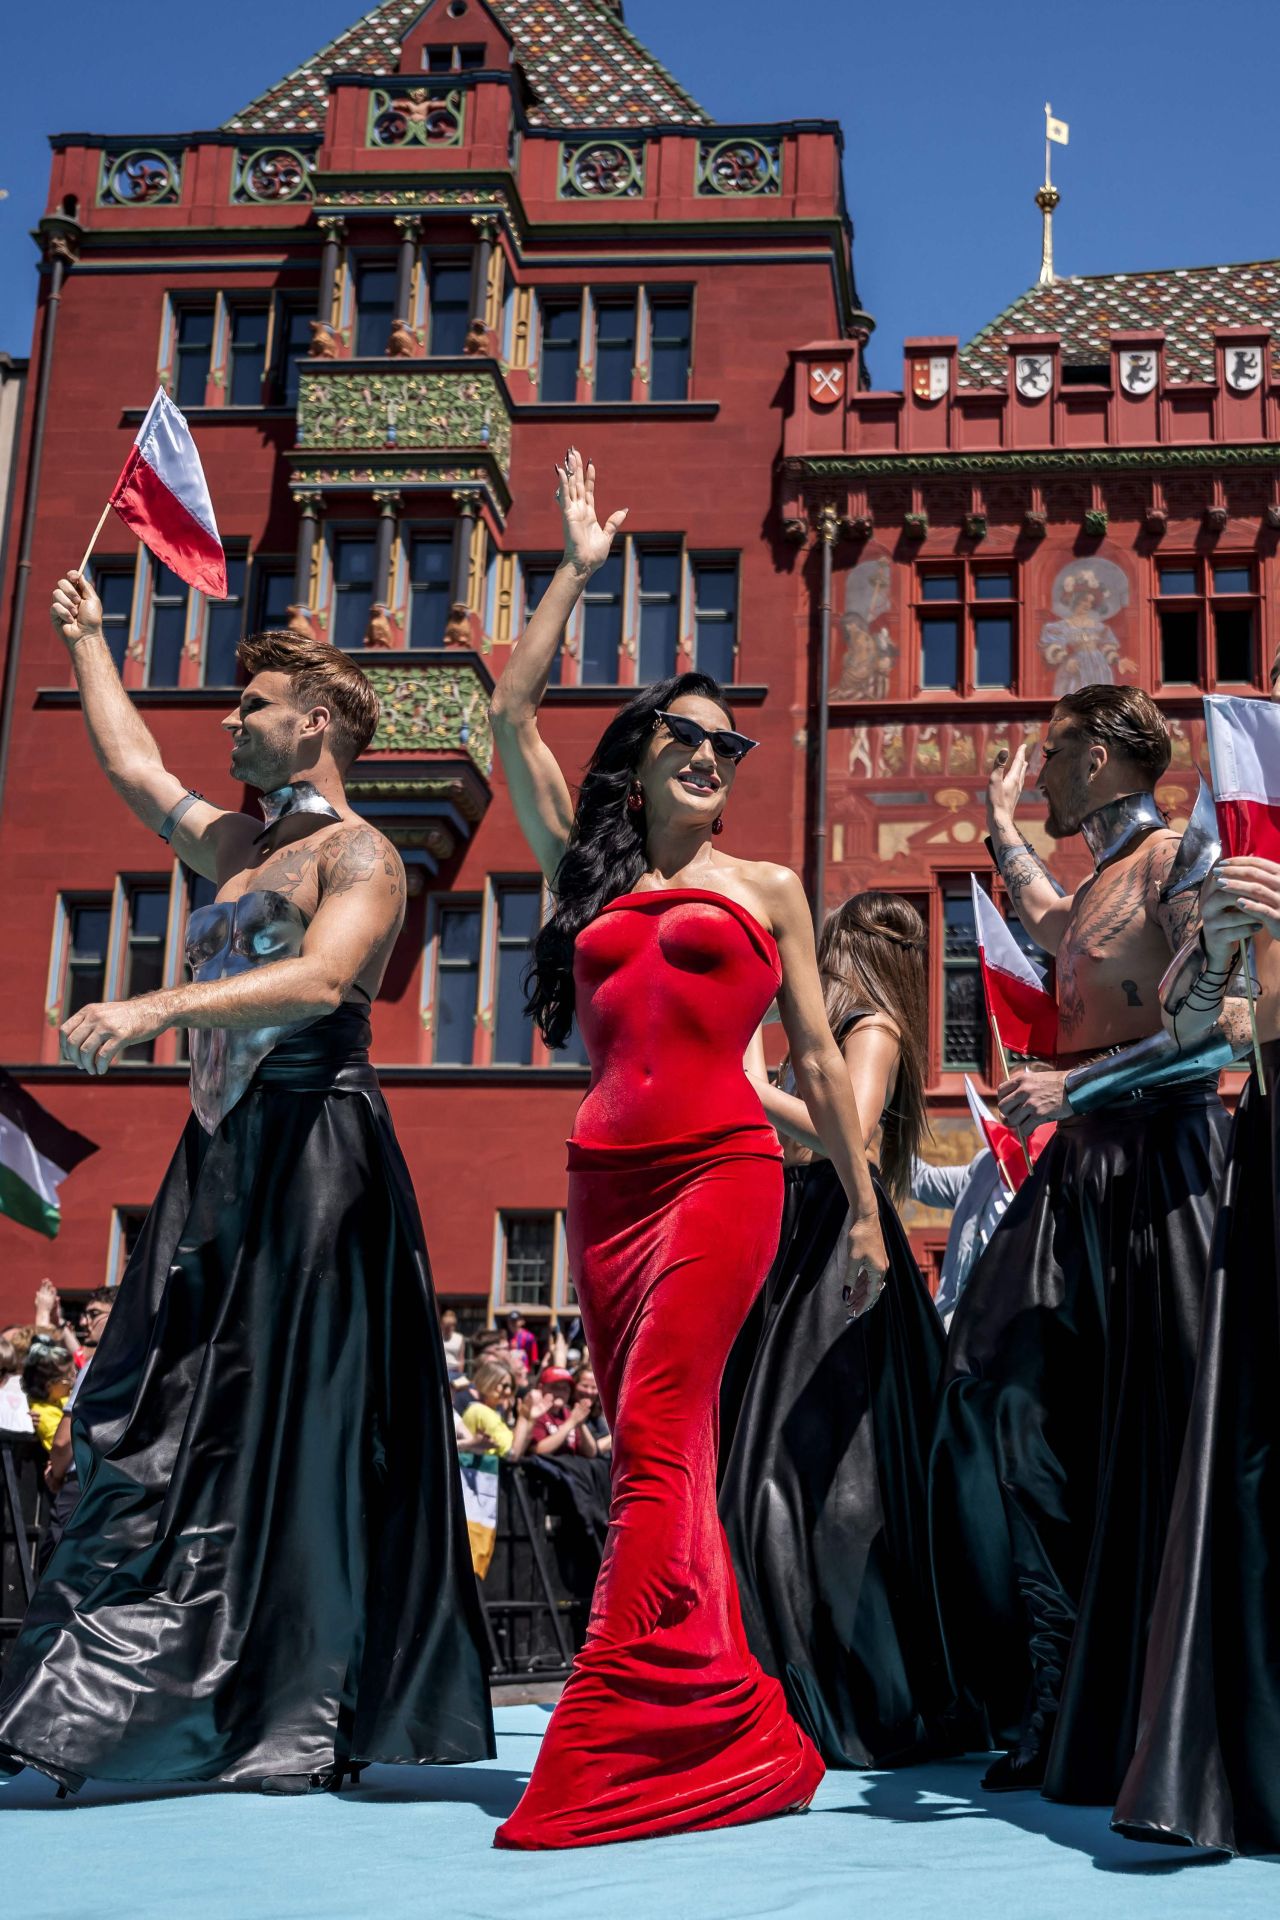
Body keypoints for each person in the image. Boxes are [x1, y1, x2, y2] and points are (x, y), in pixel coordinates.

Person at [0, 574, 491, 1795]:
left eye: (253, 706)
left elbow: (323, 982)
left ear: (314, 721)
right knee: (151, 1412)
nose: (230, 722)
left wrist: (152, 1007)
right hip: (217, 1158)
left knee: (299, 1432)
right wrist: (90, 641)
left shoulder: (362, 854)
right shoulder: (236, 848)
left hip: (315, 1158)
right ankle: (115, 1693)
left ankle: (295, 1712)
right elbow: (134, 772)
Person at [488, 450, 887, 1850]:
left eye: (730, 747)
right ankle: (725, 1728)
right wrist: (574, 572)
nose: (713, 758)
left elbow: (819, 1060)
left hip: (725, 1174)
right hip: (601, 1191)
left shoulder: (766, 886)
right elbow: (507, 710)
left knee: (656, 1438)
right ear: (644, 752)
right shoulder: (583, 869)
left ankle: (606, 1739)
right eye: (690, 738)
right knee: (661, 1446)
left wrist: (866, 1210)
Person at [930, 686, 1239, 1799]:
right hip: (1084, 1171)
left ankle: (1169, 1711)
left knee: (1168, 1423)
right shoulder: (1096, 887)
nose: (1045, 767)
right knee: (1000, 1386)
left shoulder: (1178, 862)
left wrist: (1074, 1085)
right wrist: (1000, 823)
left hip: (1165, 1164)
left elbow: (1216, 1027)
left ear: (1103, 757)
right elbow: (1046, 915)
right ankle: (1058, 1686)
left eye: (1054, 752)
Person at [719, 893, 958, 1767]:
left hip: (835, 1251)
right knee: (769, 1476)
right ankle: (783, 1690)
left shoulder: (873, 1026)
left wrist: (752, 1090)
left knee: (794, 1484)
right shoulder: (825, 1031)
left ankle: (831, 1696)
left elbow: (845, 1136)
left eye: (831, 942)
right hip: (800, 1242)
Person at [1112, 777, 1280, 1851]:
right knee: (1253, 1464)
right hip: (1263, 1150)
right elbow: (1193, 1026)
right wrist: (1220, 945)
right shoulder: (1251, 828)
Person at [909, 1149, 1008, 1327]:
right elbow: (919, 1179)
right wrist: (891, 1135)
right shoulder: (988, 1164)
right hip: (961, 1329)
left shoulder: (1054, 1178)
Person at [461, 1357, 534, 1460]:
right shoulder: (479, 1411)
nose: (508, 1392)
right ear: (488, 1381)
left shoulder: (492, 1413)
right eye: (504, 1386)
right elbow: (512, 1454)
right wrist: (523, 1418)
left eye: (511, 1387)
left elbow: (519, 1450)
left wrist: (530, 1420)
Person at [529, 1367, 599, 1458]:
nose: (560, 1392)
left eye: (565, 1388)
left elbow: (591, 1453)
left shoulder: (568, 1413)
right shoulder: (535, 1413)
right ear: (541, 1387)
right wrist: (571, 1423)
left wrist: (580, 1424)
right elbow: (538, 1450)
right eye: (555, 1387)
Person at [439, 1308, 466, 1377]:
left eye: (452, 1325)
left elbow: (461, 1358)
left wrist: (460, 1374)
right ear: (442, 1325)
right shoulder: (438, 1337)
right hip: (440, 1370)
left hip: (454, 1371)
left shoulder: (459, 1338)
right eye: (447, 1325)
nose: (449, 1328)